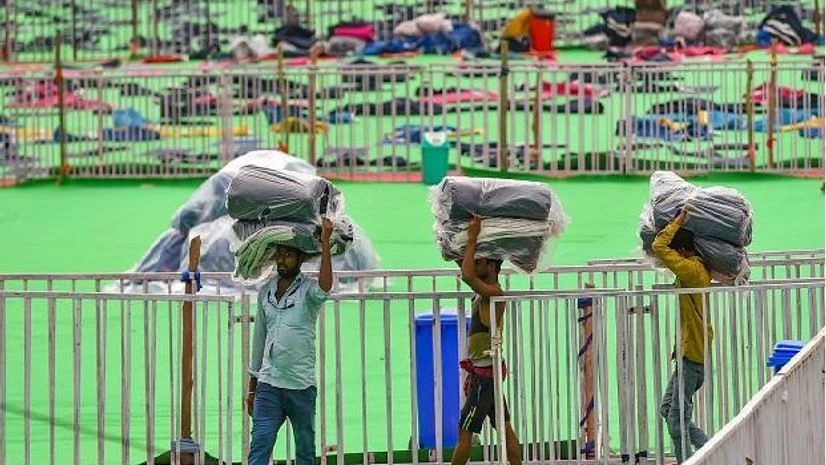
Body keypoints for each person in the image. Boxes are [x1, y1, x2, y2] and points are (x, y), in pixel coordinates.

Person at [246, 218, 334, 465]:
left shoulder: (308, 291)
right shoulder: (266, 291)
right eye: (280, 254)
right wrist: (252, 385)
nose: (282, 260)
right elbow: (260, 338)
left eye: (288, 255)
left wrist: (325, 242)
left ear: (301, 259)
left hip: (300, 386)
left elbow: (325, 287)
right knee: (259, 446)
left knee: (305, 450)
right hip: (268, 384)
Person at [452, 216, 522, 465]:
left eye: (482, 260)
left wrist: (472, 238)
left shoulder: (494, 293)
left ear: (492, 267)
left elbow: (467, 275)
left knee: (464, 432)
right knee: (504, 428)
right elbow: (466, 267)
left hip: (484, 376)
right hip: (486, 372)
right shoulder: (486, 291)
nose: (475, 263)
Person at [652, 209, 713, 463]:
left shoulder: (692, 271)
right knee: (668, 410)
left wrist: (677, 221)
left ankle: (693, 459)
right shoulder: (695, 269)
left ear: (683, 251)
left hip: (693, 358)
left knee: (677, 421)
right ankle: (713, 449)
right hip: (690, 354)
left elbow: (659, 245)